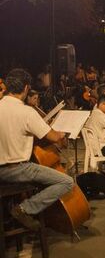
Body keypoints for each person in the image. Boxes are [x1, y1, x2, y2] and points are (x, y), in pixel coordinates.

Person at [0, 69, 73, 231]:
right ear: (26, 88)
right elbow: (54, 137)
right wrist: (61, 133)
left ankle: (7, 214)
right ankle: (23, 209)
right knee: (66, 181)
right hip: (17, 169)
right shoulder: (26, 112)